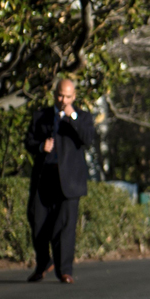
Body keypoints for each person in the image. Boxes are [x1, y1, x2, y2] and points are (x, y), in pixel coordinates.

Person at [24, 78, 96, 283]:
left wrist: (71, 116)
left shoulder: (82, 117)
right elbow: (29, 141)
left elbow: (88, 139)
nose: (63, 100)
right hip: (44, 178)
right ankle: (43, 263)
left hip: (69, 181)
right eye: (60, 95)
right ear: (54, 94)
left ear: (74, 97)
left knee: (65, 227)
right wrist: (40, 147)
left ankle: (65, 270)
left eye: (67, 96)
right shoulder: (41, 116)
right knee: (37, 222)